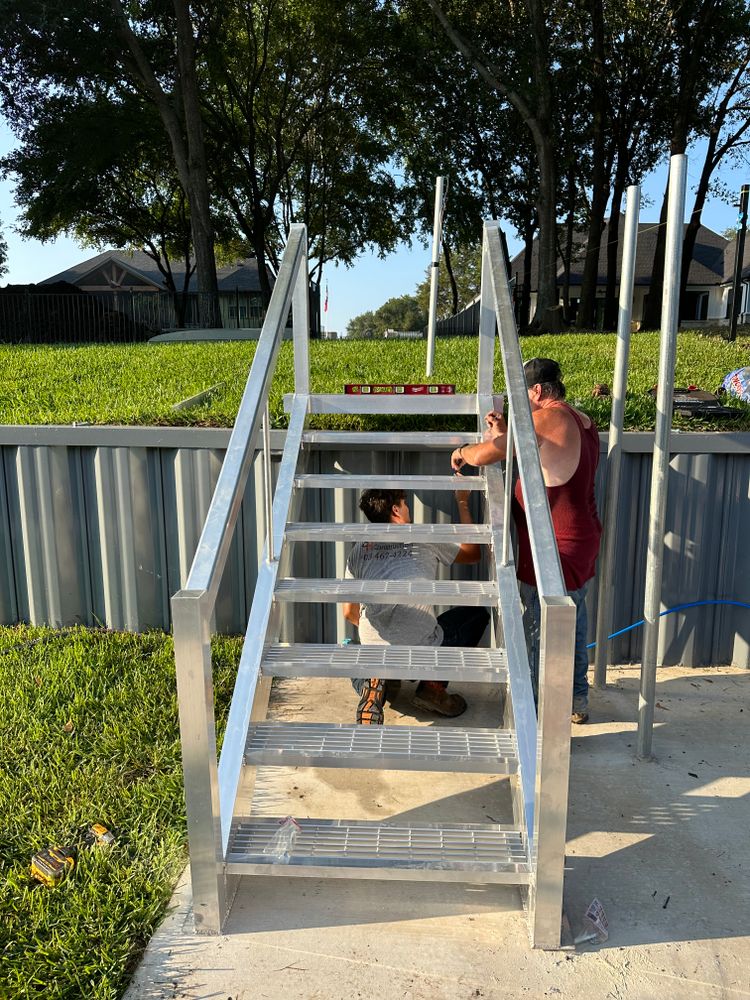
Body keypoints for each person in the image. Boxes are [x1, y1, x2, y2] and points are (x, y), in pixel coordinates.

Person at [449, 357, 601, 724]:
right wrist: (503, 429)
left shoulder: (546, 418)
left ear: (534, 391)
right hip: (579, 538)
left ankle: (535, 709)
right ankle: (576, 698)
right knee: (573, 622)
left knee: (538, 628)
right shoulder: (578, 418)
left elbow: (489, 454)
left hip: (554, 546)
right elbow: (527, 443)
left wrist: (463, 452)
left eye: (520, 396)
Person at [343, 488, 489, 725]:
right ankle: (432, 688)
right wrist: (462, 502)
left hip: (377, 651)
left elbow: (349, 612)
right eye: (406, 504)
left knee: (352, 652)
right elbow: (473, 553)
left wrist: (388, 633)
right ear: (396, 510)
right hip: (421, 655)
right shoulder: (422, 536)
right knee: (475, 615)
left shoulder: (359, 550)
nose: (409, 509)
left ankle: (372, 685)